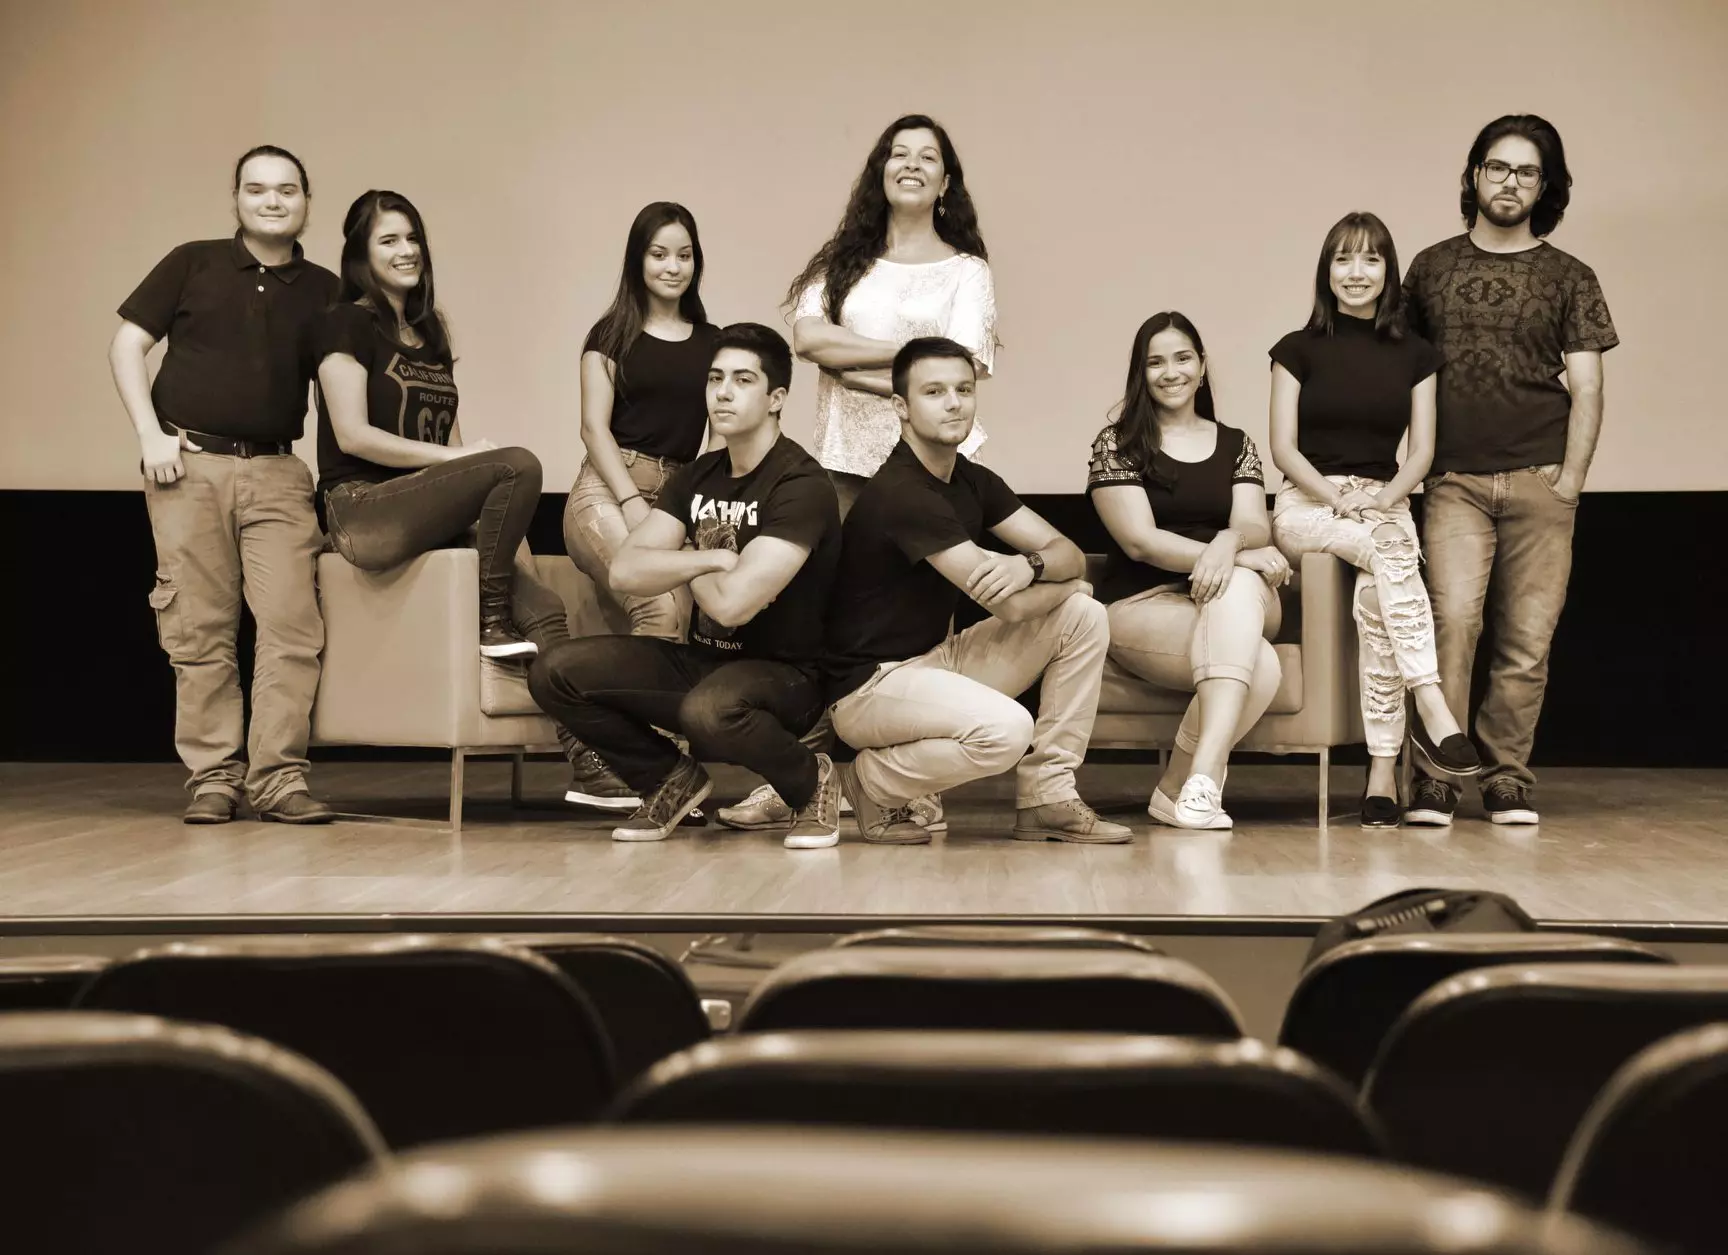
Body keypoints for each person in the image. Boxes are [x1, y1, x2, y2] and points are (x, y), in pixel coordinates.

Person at [725, 113, 996, 833]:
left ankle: (908, 781)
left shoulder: (967, 271)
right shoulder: (843, 260)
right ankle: (800, 777)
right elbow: (809, 339)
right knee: (825, 628)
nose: (911, 164)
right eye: (897, 153)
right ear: (880, 171)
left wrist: (865, 361)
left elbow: (963, 367)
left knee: (918, 628)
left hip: (935, 472)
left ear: (945, 182)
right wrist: (914, 361)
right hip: (844, 464)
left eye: (927, 156)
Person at [314, 190, 594, 783]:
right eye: (389, 240)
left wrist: (496, 517)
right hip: (361, 510)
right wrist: (462, 460)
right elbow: (352, 436)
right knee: (517, 463)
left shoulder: (429, 330)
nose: (407, 250)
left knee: (545, 607)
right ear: (361, 254)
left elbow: (460, 464)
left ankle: (591, 764)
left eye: (413, 237)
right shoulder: (346, 322)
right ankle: (492, 620)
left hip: (428, 513)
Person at [529, 324, 844, 847]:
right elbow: (625, 570)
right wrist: (711, 556)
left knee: (708, 711)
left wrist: (680, 559)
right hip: (705, 662)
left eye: (743, 380)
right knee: (555, 672)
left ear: (776, 399)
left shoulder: (799, 484)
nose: (723, 392)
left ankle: (811, 782)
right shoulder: (697, 477)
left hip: (789, 676)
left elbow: (734, 607)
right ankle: (668, 780)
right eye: (715, 378)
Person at [823, 337, 1132, 846]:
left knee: (1083, 614)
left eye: (963, 389)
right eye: (934, 392)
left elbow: (1068, 551)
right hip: (871, 687)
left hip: (937, 661)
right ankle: (868, 781)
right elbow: (1010, 607)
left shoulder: (972, 481)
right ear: (901, 406)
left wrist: (1031, 565)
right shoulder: (904, 493)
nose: (954, 403)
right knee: (1008, 730)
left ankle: (1049, 796)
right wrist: (1063, 581)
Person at [109, 145, 338, 826]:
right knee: (199, 629)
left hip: (279, 471)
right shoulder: (193, 262)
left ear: (306, 201)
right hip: (189, 467)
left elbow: (343, 390)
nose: (272, 201)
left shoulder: (326, 290)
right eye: (257, 189)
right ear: (235, 198)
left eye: (287, 190)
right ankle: (213, 778)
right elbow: (126, 345)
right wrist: (149, 435)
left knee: (293, 627)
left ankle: (279, 779)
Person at [1402, 115, 1617, 827]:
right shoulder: (1430, 268)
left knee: (1527, 640)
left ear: (1545, 186)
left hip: (1540, 478)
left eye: (1527, 171)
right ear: (1474, 175)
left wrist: (1570, 481)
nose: (1510, 182)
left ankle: (1506, 778)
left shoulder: (1571, 276)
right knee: (1451, 626)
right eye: (1498, 167)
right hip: (1453, 481)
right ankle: (1437, 779)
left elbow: (1588, 386)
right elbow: (1398, 373)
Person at [1268, 212, 1481, 828]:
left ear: (1388, 270)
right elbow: (1283, 449)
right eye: (1343, 259)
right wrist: (1341, 502)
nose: (1355, 272)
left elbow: (1421, 453)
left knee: (1374, 601)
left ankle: (1382, 773)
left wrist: (1382, 499)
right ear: (1326, 271)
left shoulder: (1417, 355)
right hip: (1309, 506)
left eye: (1370, 258)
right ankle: (1432, 704)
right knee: (1391, 553)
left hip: (1384, 504)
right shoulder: (1296, 349)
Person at [1087, 313, 1286, 831]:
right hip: (1143, 603)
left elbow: (1253, 525)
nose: (1170, 372)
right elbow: (1140, 541)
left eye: (1182, 358)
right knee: (1262, 666)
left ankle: (1201, 774)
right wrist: (1230, 554)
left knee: (1238, 585)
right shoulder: (1116, 444)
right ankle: (1186, 788)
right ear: (1141, 373)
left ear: (1201, 366)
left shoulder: (1236, 442)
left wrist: (1229, 543)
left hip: (1235, 599)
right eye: (1155, 362)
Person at [560, 202, 719, 812]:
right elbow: (592, 428)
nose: (672, 267)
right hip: (606, 491)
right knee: (657, 603)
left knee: (683, 619)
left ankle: (662, 772)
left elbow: (717, 440)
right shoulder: (610, 335)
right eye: (659, 254)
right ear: (637, 260)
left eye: (684, 255)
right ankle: (654, 775)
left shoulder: (711, 342)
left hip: (676, 499)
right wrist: (629, 499)